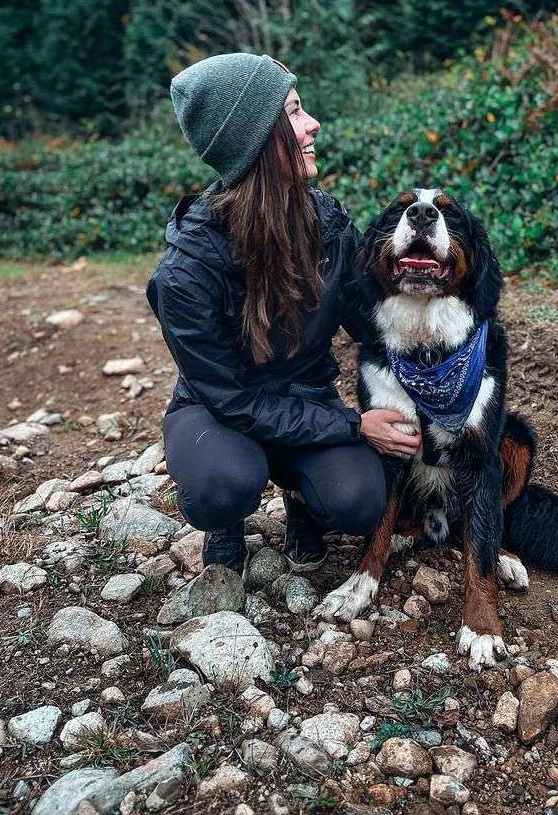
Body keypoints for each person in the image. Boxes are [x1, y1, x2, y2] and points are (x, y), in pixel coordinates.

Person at [146, 52, 421, 575]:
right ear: (254, 139)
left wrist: (446, 337)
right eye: (294, 112)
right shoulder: (185, 273)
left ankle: (300, 495)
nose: (313, 123)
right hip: (218, 411)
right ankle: (226, 522)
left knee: (359, 502)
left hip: (304, 395)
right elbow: (230, 398)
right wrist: (355, 425)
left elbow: (376, 324)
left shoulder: (328, 221)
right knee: (222, 484)